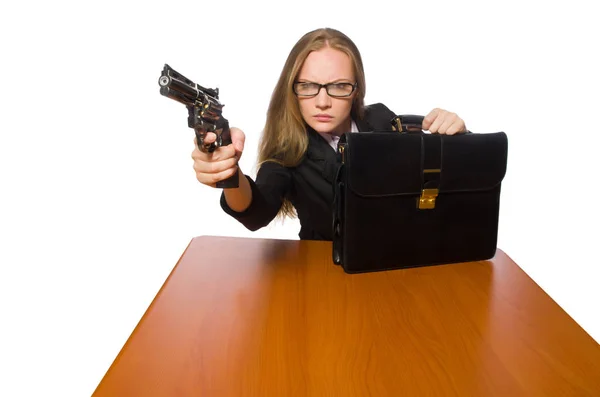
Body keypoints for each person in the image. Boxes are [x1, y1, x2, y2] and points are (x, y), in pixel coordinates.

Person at [191, 28, 468, 240]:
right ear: (293, 90)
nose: (322, 101)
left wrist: (456, 137)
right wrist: (229, 172)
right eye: (309, 85)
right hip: (327, 277)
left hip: (398, 264)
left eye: (338, 86)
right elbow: (256, 212)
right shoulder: (288, 155)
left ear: (356, 90)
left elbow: (434, 178)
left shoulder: (383, 118)